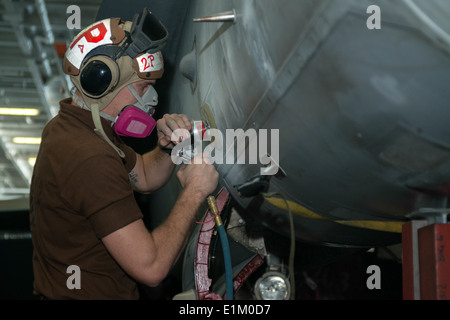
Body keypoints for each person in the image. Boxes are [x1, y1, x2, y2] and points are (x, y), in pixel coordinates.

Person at [29, 8, 218, 299]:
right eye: (143, 87)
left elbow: (141, 176)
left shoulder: (74, 126)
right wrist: (195, 190)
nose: (152, 99)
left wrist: (169, 148)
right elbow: (152, 268)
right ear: (101, 83)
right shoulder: (89, 157)